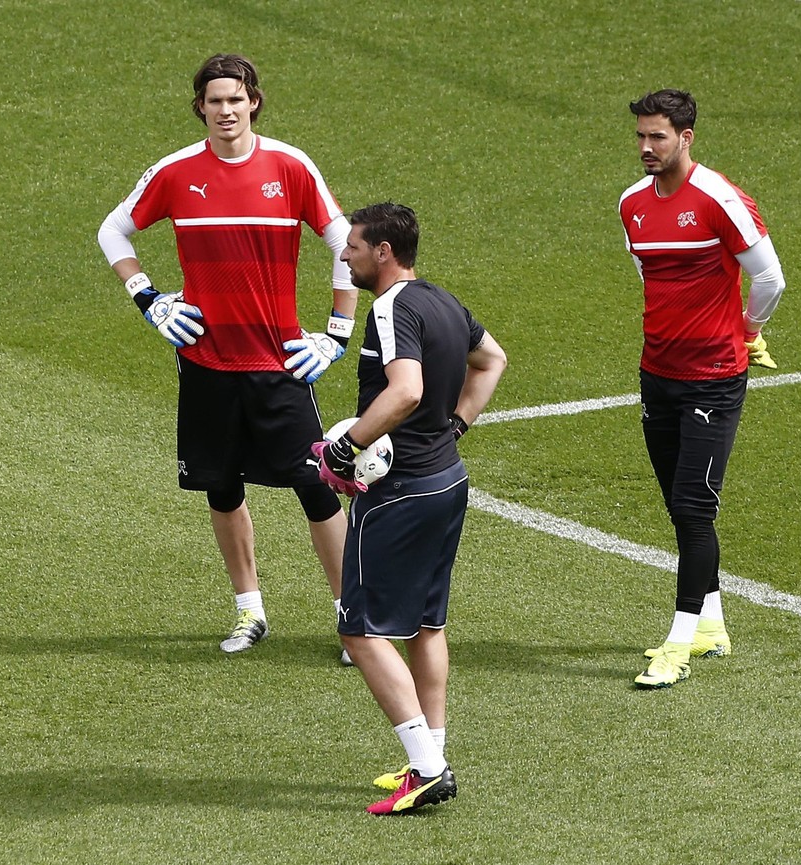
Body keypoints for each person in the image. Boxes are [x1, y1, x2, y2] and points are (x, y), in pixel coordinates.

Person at [97, 53, 358, 656]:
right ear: (200, 107)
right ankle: (249, 612)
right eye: (214, 101)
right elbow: (113, 230)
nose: (225, 111)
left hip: (281, 362)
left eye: (235, 99)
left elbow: (345, 242)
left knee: (316, 487)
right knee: (221, 487)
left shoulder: (290, 167)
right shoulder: (176, 171)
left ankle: (352, 616)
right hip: (207, 363)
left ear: (254, 102)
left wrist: (338, 332)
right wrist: (149, 298)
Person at [316, 202, 506, 815]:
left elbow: (406, 391)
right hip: (447, 480)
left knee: (359, 629)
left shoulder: (391, 307)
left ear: (383, 252)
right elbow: (492, 359)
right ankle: (433, 754)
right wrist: (456, 426)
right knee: (428, 623)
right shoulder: (443, 300)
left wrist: (347, 448)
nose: (343, 258)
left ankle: (426, 770)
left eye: (352, 248)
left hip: (401, 492)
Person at [619, 89, 787, 689]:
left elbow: (769, 276)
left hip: (714, 377)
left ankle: (679, 638)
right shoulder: (632, 204)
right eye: (640, 135)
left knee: (694, 507)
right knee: (678, 503)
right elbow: (650, 272)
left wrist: (747, 332)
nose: (645, 147)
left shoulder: (721, 199)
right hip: (656, 372)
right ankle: (713, 622)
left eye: (657, 136)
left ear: (686, 137)